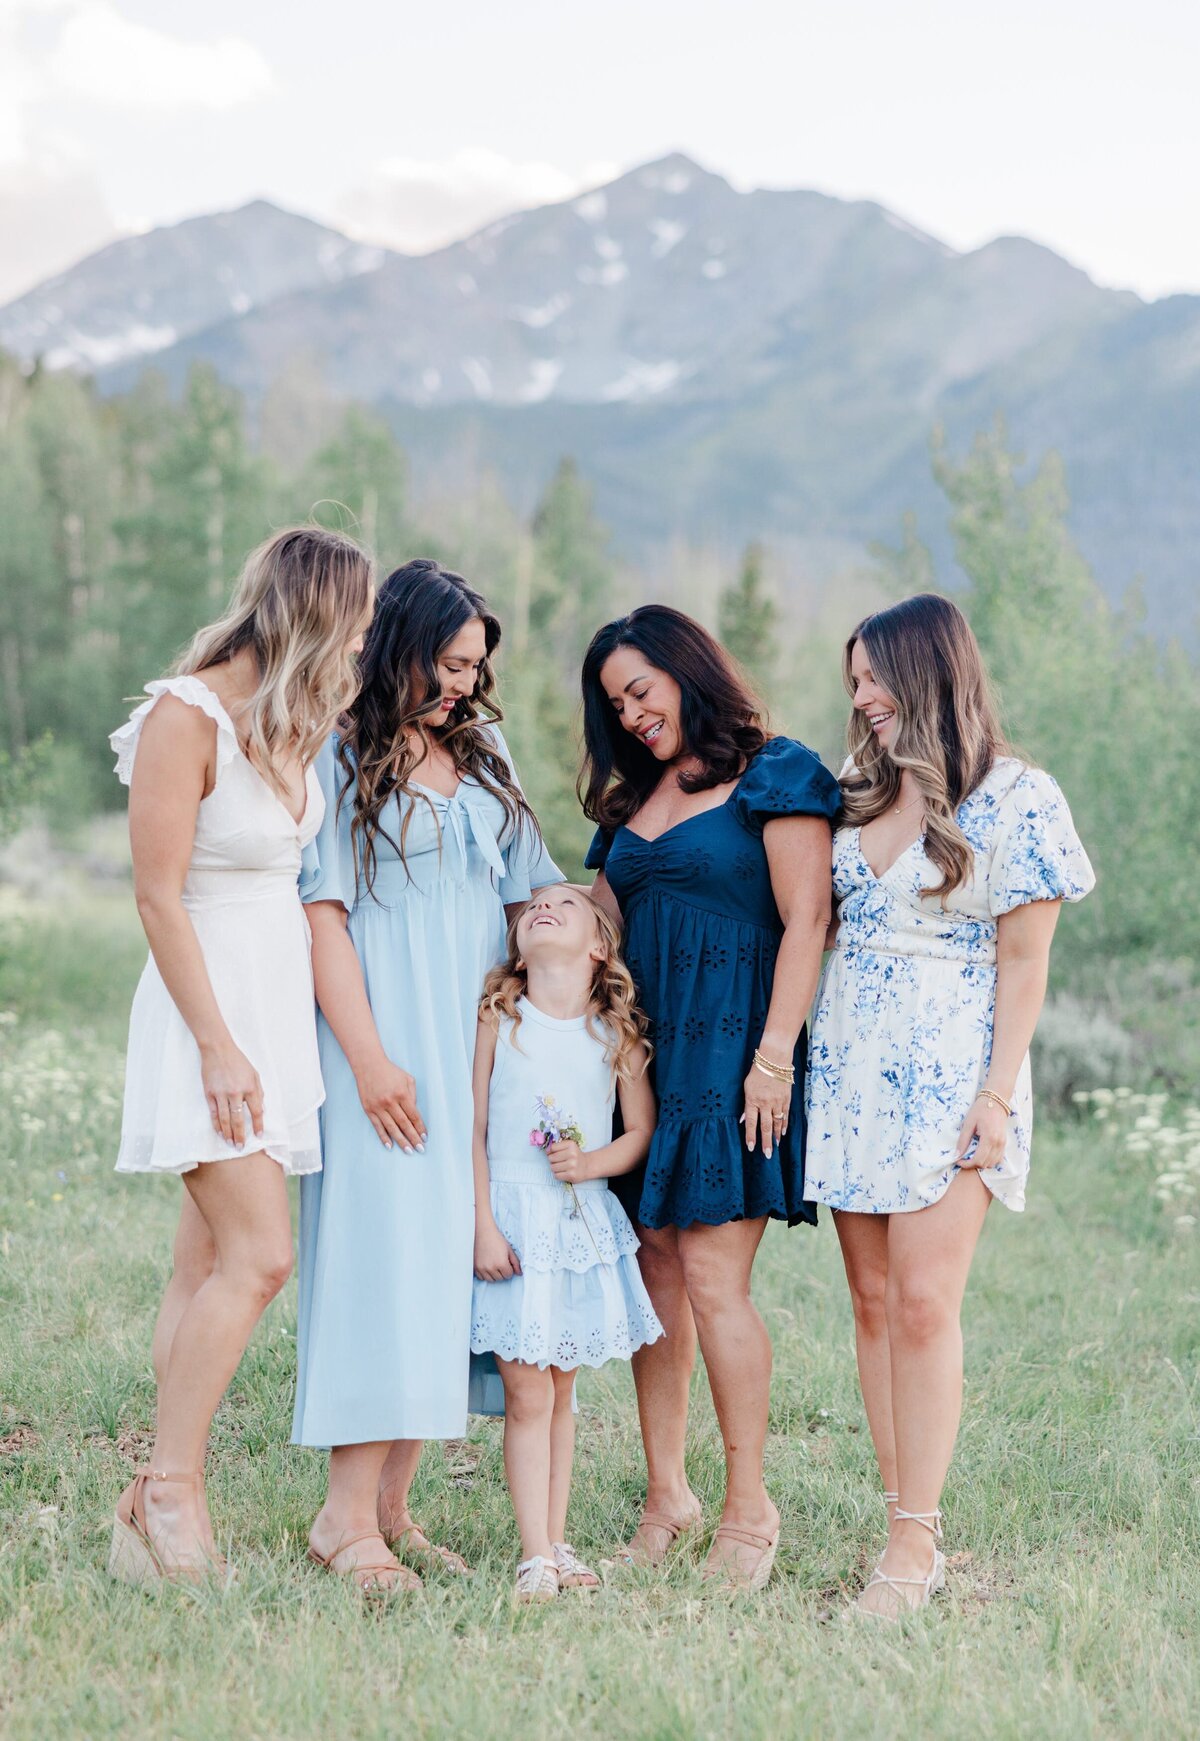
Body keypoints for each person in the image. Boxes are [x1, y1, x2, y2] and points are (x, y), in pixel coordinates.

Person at [805, 592, 1095, 1617]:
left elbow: (1025, 966)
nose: (863, 697)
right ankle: (900, 1514)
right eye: (853, 682)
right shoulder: (852, 790)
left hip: (953, 1073)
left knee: (926, 1304)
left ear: (929, 670)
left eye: (876, 677)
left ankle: (914, 1548)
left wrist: (995, 1096)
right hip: (849, 1068)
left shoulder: (1019, 797)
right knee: (874, 1304)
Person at [107, 526, 375, 1584]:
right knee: (261, 1257)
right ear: (313, 617)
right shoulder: (188, 716)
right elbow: (156, 894)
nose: (358, 648)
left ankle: (148, 1500)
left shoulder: (290, 720)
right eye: (352, 628)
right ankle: (173, 1487)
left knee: (205, 1262)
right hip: (208, 1007)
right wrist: (217, 1044)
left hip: (272, 1005)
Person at [293, 558, 564, 1594]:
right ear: (397, 641)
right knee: (381, 1257)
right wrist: (366, 1060)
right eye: (448, 663)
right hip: (382, 1037)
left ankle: (394, 1507)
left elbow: (526, 897)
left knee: (447, 1264)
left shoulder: (484, 751)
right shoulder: (338, 748)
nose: (461, 684)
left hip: (474, 1043)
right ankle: (341, 1517)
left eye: (474, 668)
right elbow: (323, 912)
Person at [580, 605, 838, 1591]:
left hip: (735, 1058)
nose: (635, 715)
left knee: (714, 1274)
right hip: (643, 1064)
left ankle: (748, 1505)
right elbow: (597, 922)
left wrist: (773, 1057)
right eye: (617, 704)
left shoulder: (777, 771)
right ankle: (666, 1494)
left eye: (642, 689)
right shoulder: (632, 804)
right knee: (655, 1273)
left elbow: (806, 918)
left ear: (689, 669)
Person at [470, 886, 662, 1602]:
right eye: (536, 904)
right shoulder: (501, 1018)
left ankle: (555, 1539)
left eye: (567, 904)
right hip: (514, 1223)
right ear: (518, 941)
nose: (545, 905)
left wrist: (591, 1162)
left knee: (560, 1393)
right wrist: (482, 1221)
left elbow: (638, 1132)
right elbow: (474, 1124)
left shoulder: (616, 1036)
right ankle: (534, 1553)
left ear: (599, 948)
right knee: (527, 1393)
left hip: (576, 1226)